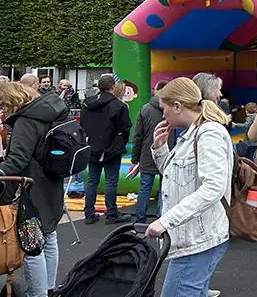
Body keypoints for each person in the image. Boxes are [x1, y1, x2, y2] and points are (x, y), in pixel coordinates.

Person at [145, 78, 233, 297]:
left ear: (177, 106)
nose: (162, 114)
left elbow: (213, 187)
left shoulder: (208, 133)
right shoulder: (193, 133)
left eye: (164, 108)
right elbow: (176, 177)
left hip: (198, 238)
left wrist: (166, 220)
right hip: (194, 236)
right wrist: (160, 148)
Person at [0, 83, 69, 297]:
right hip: (52, 182)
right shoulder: (55, 111)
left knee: (31, 247)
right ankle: (48, 288)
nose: (2, 109)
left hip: (30, 187)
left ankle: (38, 294)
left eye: (3, 104)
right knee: (48, 238)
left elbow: (17, 160)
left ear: (13, 100)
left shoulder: (26, 121)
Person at [81, 74, 133, 224]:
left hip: (92, 147)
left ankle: (89, 213)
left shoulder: (87, 104)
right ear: (113, 88)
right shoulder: (118, 106)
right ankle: (111, 213)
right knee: (111, 181)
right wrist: (121, 143)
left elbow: (83, 125)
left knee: (91, 181)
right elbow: (125, 128)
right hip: (111, 148)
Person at [131, 80, 168, 224]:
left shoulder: (145, 109)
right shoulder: (173, 110)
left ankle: (140, 219)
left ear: (155, 91)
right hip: (166, 154)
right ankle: (161, 217)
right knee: (164, 189)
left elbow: (137, 135)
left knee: (145, 188)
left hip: (147, 154)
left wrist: (135, 157)